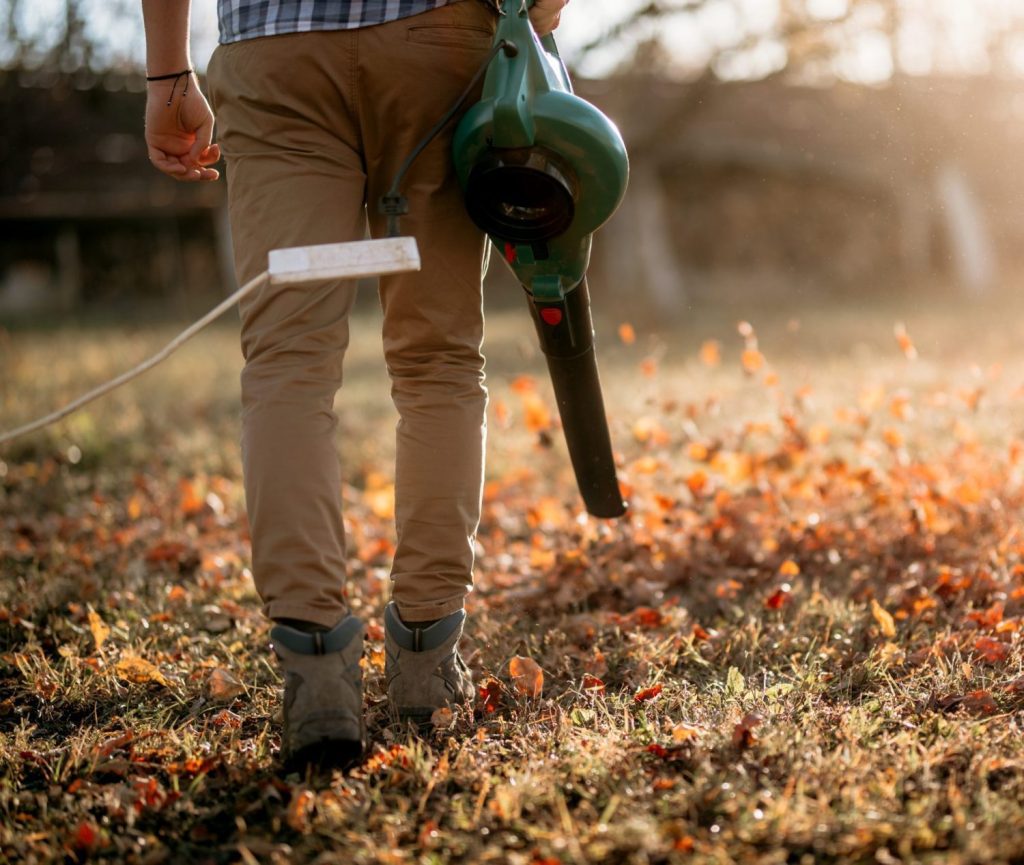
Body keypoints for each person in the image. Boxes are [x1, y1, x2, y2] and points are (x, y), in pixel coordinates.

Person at [140, 0, 568, 768]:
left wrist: (169, 72)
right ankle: (428, 657)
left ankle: (316, 678)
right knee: (437, 357)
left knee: (285, 365)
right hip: (435, 43)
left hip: (276, 54)